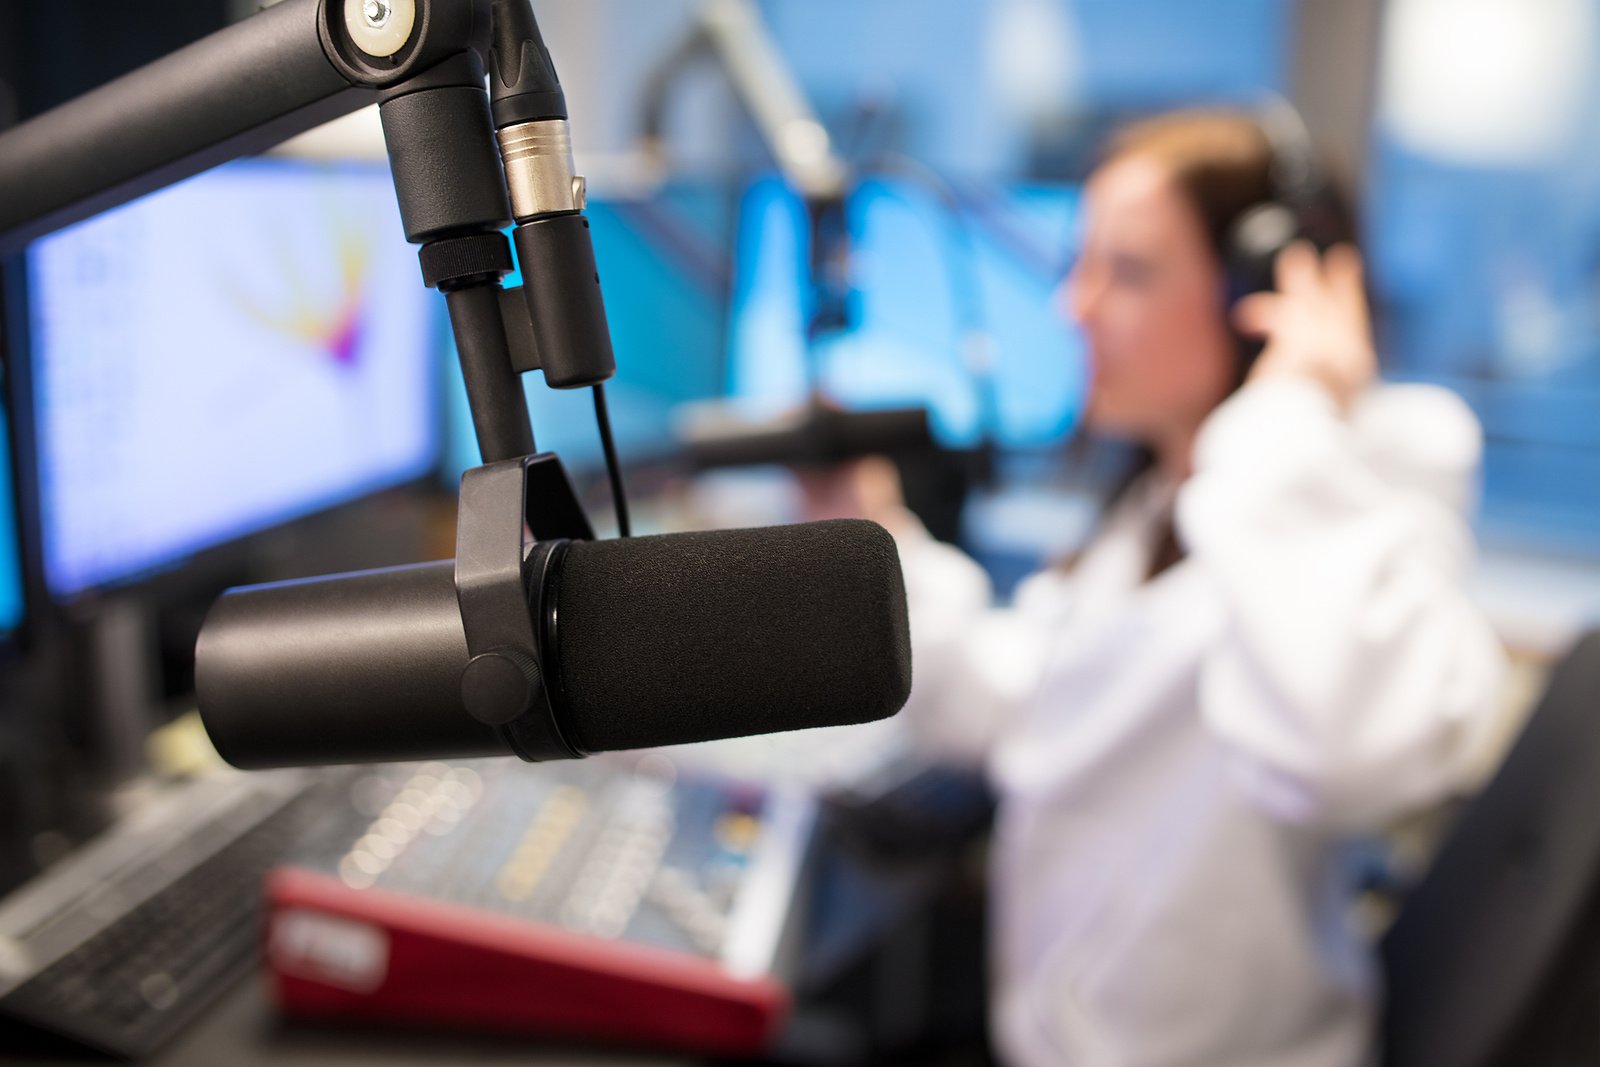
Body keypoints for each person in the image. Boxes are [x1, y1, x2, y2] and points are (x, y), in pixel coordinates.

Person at [807, 111, 1508, 1067]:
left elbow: (1349, 745)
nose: (1075, 305)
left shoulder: (1364, 468)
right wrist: (872, 529)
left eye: (1128, 272)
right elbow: (1022, 701)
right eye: (1081, 263)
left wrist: (1291, 407)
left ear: (1257, 291)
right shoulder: (1160, 499)